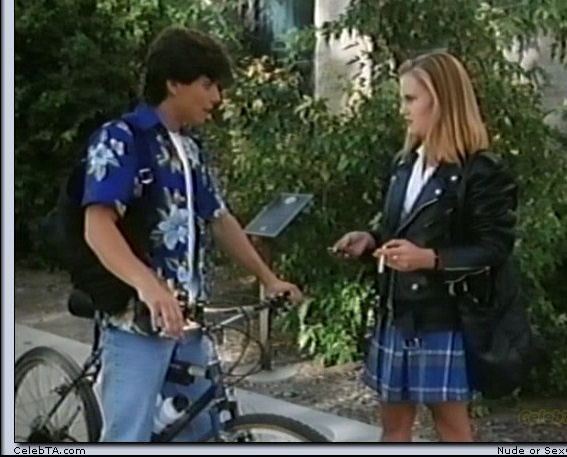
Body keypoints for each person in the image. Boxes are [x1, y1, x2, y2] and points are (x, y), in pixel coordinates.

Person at [82, 26, 302, 442]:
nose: (217, 97)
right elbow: (98, 227)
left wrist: (268, 279)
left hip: (190, 323)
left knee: (205, 430)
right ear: (174, 83)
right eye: (208, 84)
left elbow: (219, 218)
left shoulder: (190, 148)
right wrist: (150, 287)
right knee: (128, 436)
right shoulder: (123, 138)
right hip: (137, 324)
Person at [332, 51, 518, 442]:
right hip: (397, 311)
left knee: (452, 429)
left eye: (410, 99)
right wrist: (370, 242)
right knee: (393, 429)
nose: (403, 110)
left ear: (442, 101)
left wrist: (431, 259)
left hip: (442, 317)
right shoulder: (405, 164)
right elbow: (399, 231)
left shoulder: (479, 171)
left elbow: (495, 248)